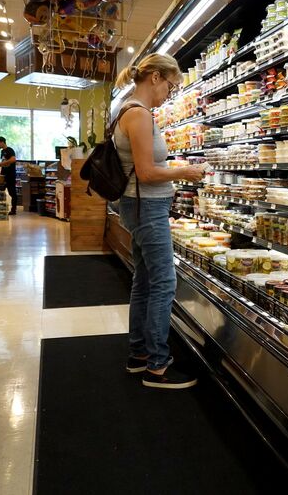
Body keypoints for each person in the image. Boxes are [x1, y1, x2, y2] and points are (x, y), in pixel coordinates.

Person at [115, 54, 205, 389]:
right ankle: (157, 365)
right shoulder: (138, 114)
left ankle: (139, 354)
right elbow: (147, 172)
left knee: (144, 281)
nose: (170, 93)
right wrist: (184, 170)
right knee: (164, 283)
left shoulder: (127, 108)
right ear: (154, 77)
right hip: (147, 207)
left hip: (137, 205)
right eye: (170, 85)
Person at [0, 137, 18, 215]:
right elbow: (4, 161)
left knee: (12, 193)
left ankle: (13, 209)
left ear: (2, 142)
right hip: (3, 175)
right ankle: (0, 208)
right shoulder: (2, 152)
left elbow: (13, 159)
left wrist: (2, 164)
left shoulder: (9, 150)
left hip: (10, 175)